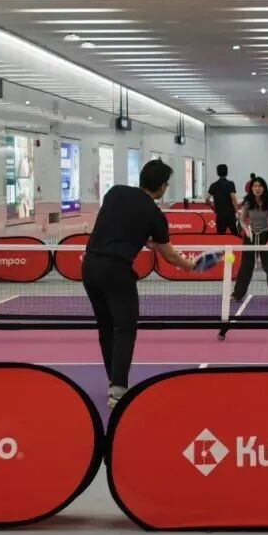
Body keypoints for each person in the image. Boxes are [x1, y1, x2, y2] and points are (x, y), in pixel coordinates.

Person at [83, 160, 197, 408]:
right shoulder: (155, 215)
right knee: (125, 328)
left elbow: (118, 223)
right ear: (162, 186)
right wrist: (189, 265)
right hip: (116, 271)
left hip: (89, 266)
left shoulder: (115, 192)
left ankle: (113, 381)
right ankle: (118, 391)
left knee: (106, 327)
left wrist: (143, 239)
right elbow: (170, 256)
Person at [231, 177, 268, 303]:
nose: (257, 188)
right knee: (245, 266)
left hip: (266, 235)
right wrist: (246, 230)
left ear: (264, 187)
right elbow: (242, 220)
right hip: (251, 236)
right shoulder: (248, 202)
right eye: (255, 186)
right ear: (251, 188)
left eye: (260, 186)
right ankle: (237, 295)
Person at [206, 164, 238, 235]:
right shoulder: (230, 183)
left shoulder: (213, 185)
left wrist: (212, 205)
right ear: (227, 173)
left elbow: (207, 198)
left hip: (220, 214)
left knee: (220, 235)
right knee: (235, 234)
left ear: (217, 173)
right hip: (230, 214)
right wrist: (236, 209)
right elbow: (233, 198)